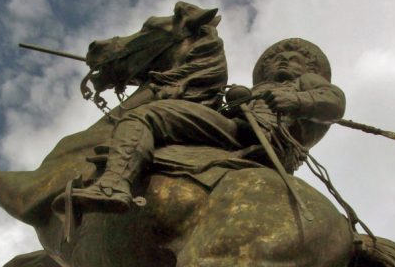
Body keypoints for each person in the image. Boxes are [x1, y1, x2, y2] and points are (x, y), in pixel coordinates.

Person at [67, 38, 346, 211]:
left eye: (293, 59)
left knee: (146, 115)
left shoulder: (306, 83)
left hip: (266, 140)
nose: (284, 62)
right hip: (233, 130)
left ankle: (114, 184)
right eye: (277, 59)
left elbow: (334, 102)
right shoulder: (256, 90)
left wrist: (296, 101)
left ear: (307, 68)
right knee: (162, 119)